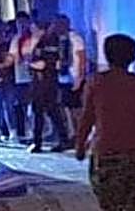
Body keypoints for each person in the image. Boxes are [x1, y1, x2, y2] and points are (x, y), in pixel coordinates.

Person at [76, 34, 135, 211]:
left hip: (106, 154)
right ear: (132, 57)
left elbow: (86, 119)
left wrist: (80, 147)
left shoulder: (96, 83)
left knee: (110, 206)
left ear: (107, 55)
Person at [29, 17, 70, 153]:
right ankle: (40, 142)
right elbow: (34, 59)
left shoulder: (60, 41)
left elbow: (61, 61)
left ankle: (51, 141)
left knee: (50, 112)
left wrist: (46, 65)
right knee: (44, 112)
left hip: (48, 81)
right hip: (41, 81)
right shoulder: (44, 40)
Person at [55, 15, 87, 137]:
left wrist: (80, 77)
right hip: (61, 77)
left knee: (75, 108)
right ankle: (71, 132)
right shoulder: (57, 39)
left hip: (73, 77)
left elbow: (82, 58)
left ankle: (80, 133)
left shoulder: (75, 38)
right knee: (64, 107)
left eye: (60, 24)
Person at [10, 12, 35, 143]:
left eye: (23, 23)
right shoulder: (15, 40)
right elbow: (12, 58)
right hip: (19, 76)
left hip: (33, 76)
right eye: (18, 23)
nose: (21, 26)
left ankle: (34, 131)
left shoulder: (33, 38)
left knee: (33, 106)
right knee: (21, 105)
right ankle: (23, 133)